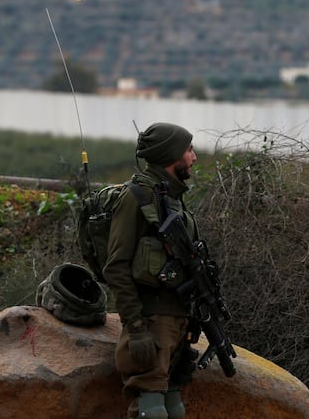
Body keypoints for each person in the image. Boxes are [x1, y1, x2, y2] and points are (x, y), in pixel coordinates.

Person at [104, 122, 200, 419]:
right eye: (188, 149)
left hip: (178, 320)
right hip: (152, 320)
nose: (194, 157)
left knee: (174, 408)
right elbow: (117, 266)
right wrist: (135, 327)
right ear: (172, 154)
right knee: (152, 411)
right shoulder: (138, 197)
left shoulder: (173, 199)